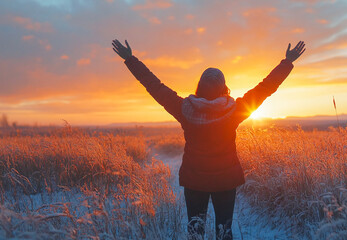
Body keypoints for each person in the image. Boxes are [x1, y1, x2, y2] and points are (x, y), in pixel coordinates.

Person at [112, 39, 305, 240]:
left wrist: (130, 59)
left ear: (200, 86)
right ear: (224, 88)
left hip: (194, 181)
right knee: (224, 232)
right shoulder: (234, 110)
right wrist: (287, 62)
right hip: (226, 181)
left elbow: (154, 86)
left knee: (195, 232)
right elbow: (265, 88)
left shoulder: (184, 108)